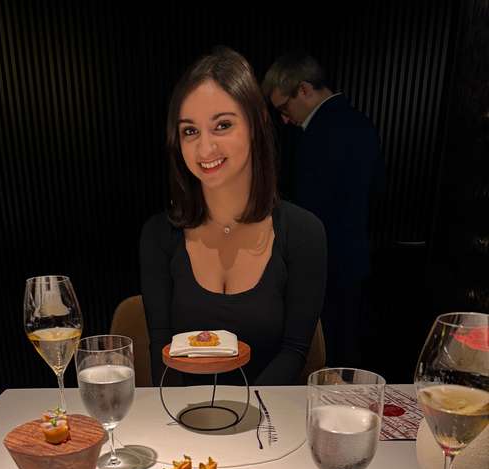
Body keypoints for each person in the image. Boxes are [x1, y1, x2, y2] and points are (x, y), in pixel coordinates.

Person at [140, 47, 327, 387]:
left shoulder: (303, 232)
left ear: (256, 124)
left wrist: (241, 412)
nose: (205, 149)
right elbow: (161, 349)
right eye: (190, 131)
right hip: (182, 414)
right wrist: (186, 414)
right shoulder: (158, 235)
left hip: (267, 413)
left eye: (222, 125)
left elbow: (294, 351)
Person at [262, 51, 385, 367]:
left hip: (324, 266)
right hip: (356, 259)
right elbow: (375, 193)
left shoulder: (318, 136)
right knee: (347, 349)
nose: (284, 119)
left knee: (324, 353)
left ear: (304, 89)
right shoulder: (362, 123)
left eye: (284, 108)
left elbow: (308, 213)